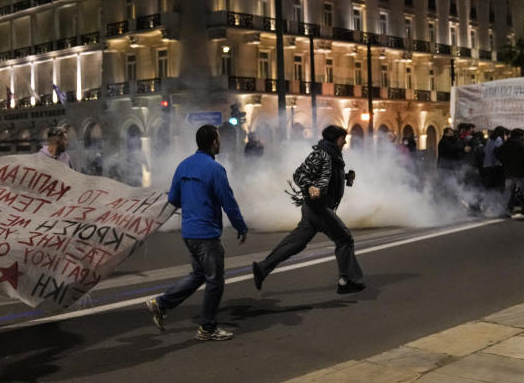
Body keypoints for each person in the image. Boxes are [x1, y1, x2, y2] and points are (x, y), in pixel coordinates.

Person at [145, 124, 248, 341]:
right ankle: (207, 328)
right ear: (213, 143)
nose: (220, 143)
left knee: (199, 275)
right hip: (206, 234)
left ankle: (161, 303)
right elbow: (228, 202)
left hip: (189, 232)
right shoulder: (215, 169)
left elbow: (173, 199)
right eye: (218, 140)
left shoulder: (183, 166)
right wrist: (241, 226)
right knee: (215, 280)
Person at [251, 125, 366, 294]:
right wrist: (310, 186)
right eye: (343, 138)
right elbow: (299, 174)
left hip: (316, 208)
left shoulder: (333, 156)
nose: (345, 141)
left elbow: (328, 180)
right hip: (317, 207)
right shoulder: (322, 154)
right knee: (344, 238)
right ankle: (346, 280)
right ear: (335, 139)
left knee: (295, 243)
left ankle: (262, 268)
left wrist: (346, 177)